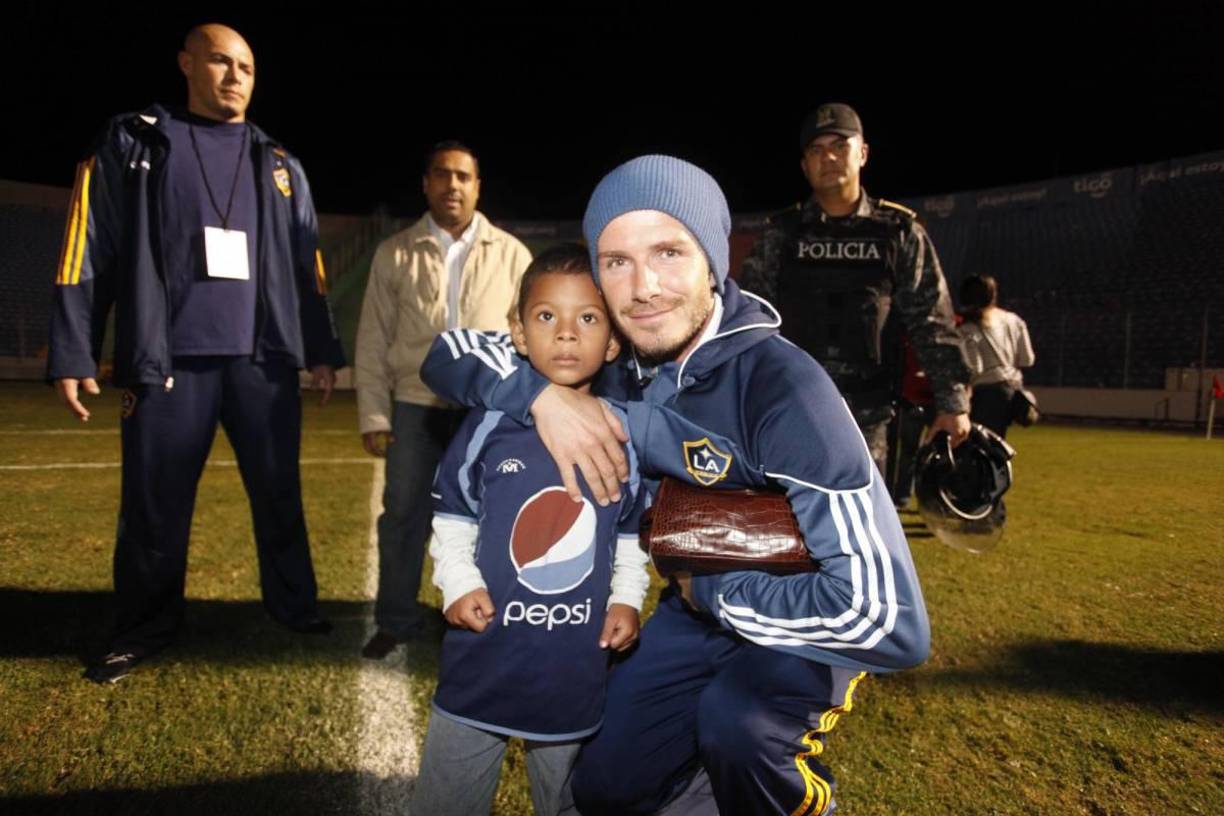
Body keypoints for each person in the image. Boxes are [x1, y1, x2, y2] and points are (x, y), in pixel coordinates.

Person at [420, 155, 930, 815]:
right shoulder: (614, 352)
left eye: (668, 251)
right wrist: (544, 397)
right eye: (617, 261)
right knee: (602, 788)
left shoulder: (785, 391)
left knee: (738, 727)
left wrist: (714, 587)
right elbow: (450, 353)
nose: (643, 287)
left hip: (798, 626)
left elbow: (891, 621)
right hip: (692, 621)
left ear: (713, 259)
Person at [47, 24, 345, 684]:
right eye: (220, 60)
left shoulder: (278, 163)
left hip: (261, 364)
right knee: (153, 505)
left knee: (279, 494)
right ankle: (143, 626)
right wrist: (74, 349)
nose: (236, 75)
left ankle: (294, 607)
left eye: (246, 66)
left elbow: (308, 267)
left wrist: (320, 349)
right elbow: (86, 242)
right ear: (186, 63)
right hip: (169, 360)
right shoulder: (135, 141)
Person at [410, 244, 649, 816]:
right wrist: (459, 582)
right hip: (482, 662)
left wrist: (627, 599)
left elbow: (629, 535)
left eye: (588, 319)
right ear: (517, 331)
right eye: (547, 317)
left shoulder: (625, 436)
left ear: (614, 339)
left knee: (569, 803)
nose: (567, 334)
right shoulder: (489, 423)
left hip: (574, 669)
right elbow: (452, 516)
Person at [354, 141, 532, 659]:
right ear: (426, 184)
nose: (452, 185)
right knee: (404, 513)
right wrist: (372, 411)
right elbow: (372, 337)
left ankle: (495, 619)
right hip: (416, 405)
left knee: (495, 517)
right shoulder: (395, 253)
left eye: (463, 177)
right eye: (441, 175)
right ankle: (396, 619)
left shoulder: (513, 253)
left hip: (487, 410)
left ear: (477, 186)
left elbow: (527, 334)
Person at [739, 102, 972, 474]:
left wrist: (953, 403)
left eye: (839, 145)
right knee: (788, 524)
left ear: (862, 154)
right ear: (804, 166)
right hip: (791, 408)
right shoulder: (780, 235)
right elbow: (750, 322)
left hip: (869, 417)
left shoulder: (899, 233)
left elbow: (931, 322)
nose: (828, 157)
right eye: (816, 150)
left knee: (864, 525)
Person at [957, 274, 1035, 437]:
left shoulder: (967, 329)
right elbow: (1028, 359)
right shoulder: (1014, 320)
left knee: (981, 447)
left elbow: (974, 368)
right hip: (1014, 391)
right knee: (999, 443)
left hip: (986, 395)